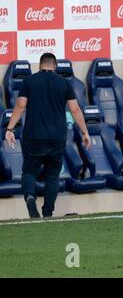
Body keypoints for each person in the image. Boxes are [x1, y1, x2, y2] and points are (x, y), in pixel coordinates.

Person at [5, 53, 91, 218]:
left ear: (40, 65)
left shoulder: (29, 81)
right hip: (57, 137)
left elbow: (20, 105)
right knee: (52, 175)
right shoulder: (64, 82)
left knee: (29, 172)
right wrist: (85, 132)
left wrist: (10, 129)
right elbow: (75, 109)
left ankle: (30, 197)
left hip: (33, 136)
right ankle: (47, 212)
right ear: (55, 66)